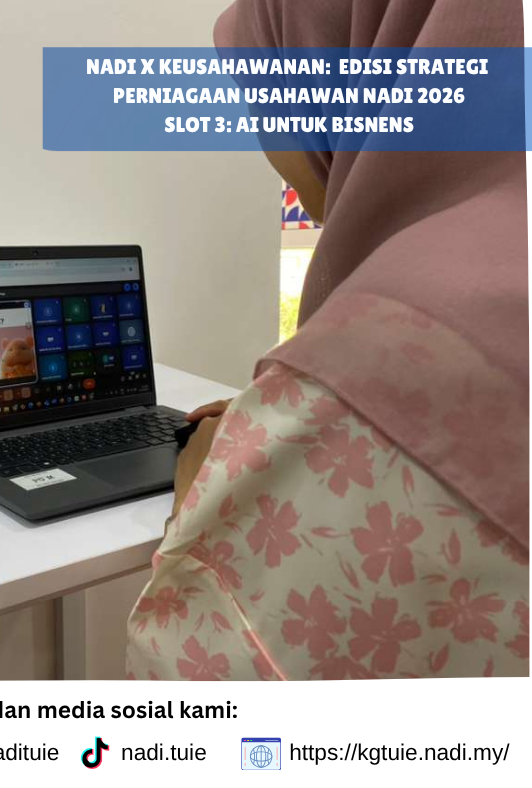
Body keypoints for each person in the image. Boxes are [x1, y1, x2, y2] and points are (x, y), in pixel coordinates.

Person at [127, 0, 529, 680]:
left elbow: (203, 699)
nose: (266, 142)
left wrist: (200, 511)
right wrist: (302, 424)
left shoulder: (389, 346)